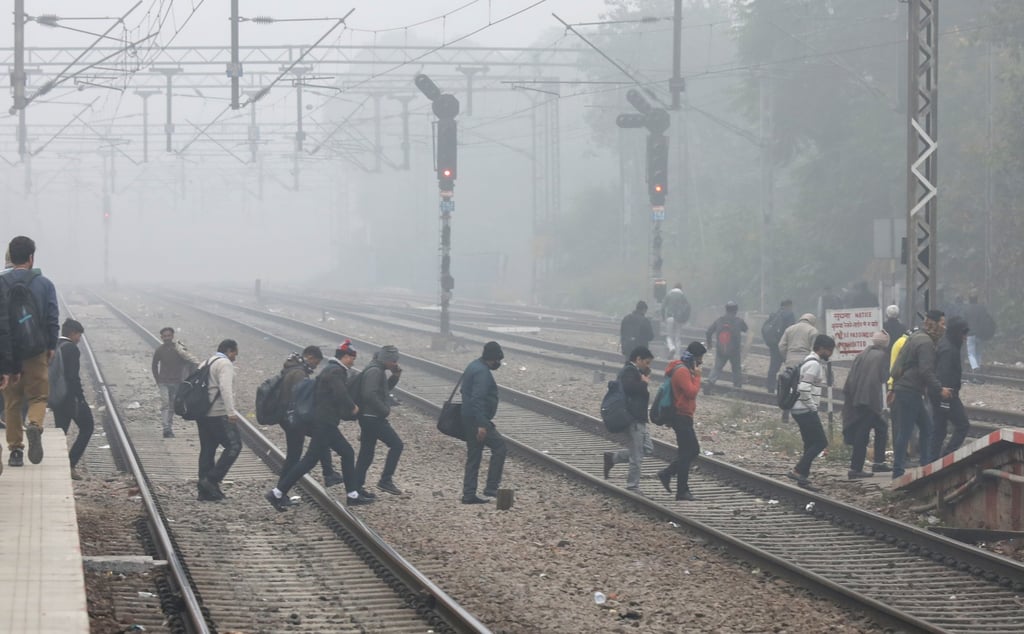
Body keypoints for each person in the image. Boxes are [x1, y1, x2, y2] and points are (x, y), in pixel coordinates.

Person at [267, 342, 370, 510]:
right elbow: (340, 393)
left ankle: (353, 494)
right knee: (309, 461)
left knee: (346, 453)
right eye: (352, 358)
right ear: (344, 357)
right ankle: (277, 492)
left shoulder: (330, 369)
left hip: (324, 422)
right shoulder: (336, 371)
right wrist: (352, 407)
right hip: (325, 423)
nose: (353, 361)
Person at [1, 236, 59, 468]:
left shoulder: (1, 284)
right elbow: (52, 318)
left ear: (10, 257)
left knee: (12, 402)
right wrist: (51, 346)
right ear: (31, 258)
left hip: (9, 353)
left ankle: (16, 451)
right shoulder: (44, 284)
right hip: (36, 350)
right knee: (38, 396)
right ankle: (34, 424)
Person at [889, 310, 949, 479]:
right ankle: (898, 471)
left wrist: (893, 388)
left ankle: (925, 467)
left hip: (906, 388)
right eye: (942, 324)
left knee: (926, 427)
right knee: (906, 431)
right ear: (933, 323)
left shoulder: (916, 336)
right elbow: (926, 371)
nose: (944, 328)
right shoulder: (926, 343)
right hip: (910, 390)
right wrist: (939, 389)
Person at [276, 345, 343, 488]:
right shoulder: (299, 373)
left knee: (320, 439)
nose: (315, 366)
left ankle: (328, 473)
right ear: (310, 357)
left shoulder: (292, 368)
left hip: (289, 417)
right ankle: (280, 490)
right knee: (295, 456)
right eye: (316, 363)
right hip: (294, 419)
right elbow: (301, 398)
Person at [460, 341, 507, 504]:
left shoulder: (473, 365)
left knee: (474, 455)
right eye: (497, 360)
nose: (498, 364)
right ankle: (491, 488)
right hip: (477, 420)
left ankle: (469, 494)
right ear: (493, 358)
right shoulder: (482, 373)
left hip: (469, 417)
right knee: (500, 447)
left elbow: (465, 392)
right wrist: (482, 424)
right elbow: (477, 399)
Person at [657, 341, 705, 501]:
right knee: (687, 453)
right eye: (700, 357)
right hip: (680, 416)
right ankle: (681, 490)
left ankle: (667, 474)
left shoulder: (684, 368)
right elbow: (691, 392)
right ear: (693, 357)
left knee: (692, 451)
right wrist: (697, 377)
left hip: (685, 415)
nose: (701, 361)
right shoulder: (682, 371)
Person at [603, 346, 654, 494]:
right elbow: (629, 388)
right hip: (632, 419)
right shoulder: (628, 371)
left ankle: (613, 458)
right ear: (638, 359)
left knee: (647, 449)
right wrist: (644, 382)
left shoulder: (635, 372)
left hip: (640, 418)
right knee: (637, 455)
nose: (648, 366)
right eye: (647, 362)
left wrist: (643, 377)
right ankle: (633, 486)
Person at [785, 335, 836, 486]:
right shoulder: (814, 365)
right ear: (820, 349)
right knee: (821, 442)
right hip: (805, 409)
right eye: (829, 350)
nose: (830, 354)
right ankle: (798, 470)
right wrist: (813, 407)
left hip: (799, 408)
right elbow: (804, 388)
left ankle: (803, 476)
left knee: (809, 443)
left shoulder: (808, 360)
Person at [354, 345, 404, 495]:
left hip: (369, 417)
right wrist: (384, 409)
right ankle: (385, 480)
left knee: (366, 452)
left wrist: (395, 376)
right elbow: (369, 394)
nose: (395, 363)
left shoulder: (377, 369)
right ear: (386, 360)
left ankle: (356, 486)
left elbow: (383, 390)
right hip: (372, 417)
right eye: (394, 361)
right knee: (396, 445)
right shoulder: (375, 371)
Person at [195, 339, 242, 501]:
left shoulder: (205, 362)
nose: (235, 357)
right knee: (234, 446)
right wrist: (231, 412)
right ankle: (211, 480)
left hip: (202, 414)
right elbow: (225, 388)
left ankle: (204, 490)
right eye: (235, 353)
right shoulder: (224, 364)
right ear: (229, 350)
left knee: (208, 449)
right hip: (218, 413)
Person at [842, 331, 891, 478]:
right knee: (862, 434)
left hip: (857, 398)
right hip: (868, 400)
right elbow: (884, 377)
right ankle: (855, 469)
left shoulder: (862, 353)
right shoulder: (882, 356)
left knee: (881, 427)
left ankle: (879, 462)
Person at [49, 319, 93, 481]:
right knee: (88, 426)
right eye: (79, 335)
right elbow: (72, 378)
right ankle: (70, 463)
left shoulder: (54, 345)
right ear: (73, 333)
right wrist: (80, 398)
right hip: (70, 398)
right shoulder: (72, 349)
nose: (79, 339)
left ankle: (55, 467)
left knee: (60, 432)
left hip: (56, 397)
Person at [931, 316, 971, 458]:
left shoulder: (948, 344)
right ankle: (947, 457)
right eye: (963, 334)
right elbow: (944, 373)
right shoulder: (949, 349)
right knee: (962, 424)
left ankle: (932, 461)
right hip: (946, 394)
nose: (965, 338)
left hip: (941, 393)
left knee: (939, 430)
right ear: (956, 332)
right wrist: (944, 393)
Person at [151, 327, 199, 438]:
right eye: (164, 336)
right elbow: (154, 365)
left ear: (172, 336)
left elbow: (189, 361)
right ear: (161, 337)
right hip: (163, 381)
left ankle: (169, 428)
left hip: (177, 382)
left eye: (169, 336)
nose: (167, 338)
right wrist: (157, 379)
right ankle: (166, 428)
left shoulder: (179, 350)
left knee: (172, 405)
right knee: (165, 404)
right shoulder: (159, 350)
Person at [704, 301, 748, 391]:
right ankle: (737, 388)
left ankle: (709, 383)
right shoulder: (739, 321)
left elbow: (708, 332)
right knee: (736, 369)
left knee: (717, 368)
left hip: (721, 349)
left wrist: (709, 344)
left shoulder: (719, 320)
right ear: (736, 310)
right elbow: (745, 329)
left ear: (726, 309)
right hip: (734, 350)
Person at [762, 299, 796, 393]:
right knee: (791, 367)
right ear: (789, 305)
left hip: (774, 344)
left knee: (773, 366)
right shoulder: (789, 314)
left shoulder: (774, 314)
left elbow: (765, 328)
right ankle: (790, 388)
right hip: (784, 345)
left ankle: (770, 386)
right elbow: (791, 330)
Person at [963, 291, 995, 381]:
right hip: (981, 334)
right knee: (978, 353)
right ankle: (978, 369)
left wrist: (963, 334)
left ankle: (975, 368)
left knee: (971, 353)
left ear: (969, 300)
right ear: (977, 300)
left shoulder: (966, 309)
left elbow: (964, 322)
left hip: (970, 334)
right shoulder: (982, 308)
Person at [661, 284, 691, 356]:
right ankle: (677, 355)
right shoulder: (682, 295)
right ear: (681, 288)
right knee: (678, 337)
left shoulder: (669, 294)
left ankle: (671, 348)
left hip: (669, 317)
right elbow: (688, 307)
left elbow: (663, 307)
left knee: (669, 336)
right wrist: (685, 318)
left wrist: (663, 318)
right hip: (679, 318)